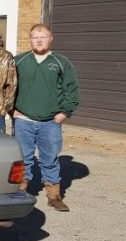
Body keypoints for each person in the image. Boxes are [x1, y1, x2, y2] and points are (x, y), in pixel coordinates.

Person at [13, 24, 81, 211]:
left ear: (51, 39)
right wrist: (10, 110)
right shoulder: (19, 61)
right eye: (35, 37)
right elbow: (7, 86)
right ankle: (20, 192)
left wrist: (63, 113)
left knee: (49, 159)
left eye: (43, 36)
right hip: (24, 120)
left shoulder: (61, 62)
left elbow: (72, 89)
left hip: (50, 122)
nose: (39, 40)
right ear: (30, 39)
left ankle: (54, 195)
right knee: (23, 158)